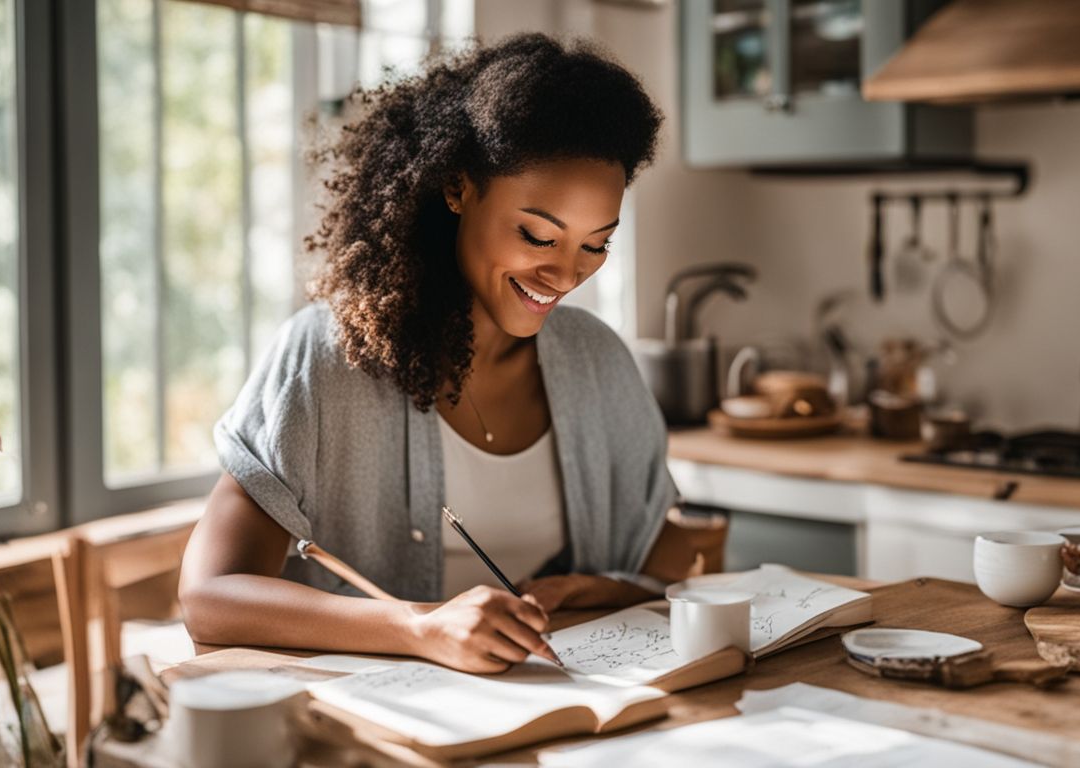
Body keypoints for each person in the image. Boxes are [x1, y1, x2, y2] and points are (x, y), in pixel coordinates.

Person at [179, 32, 697, 674]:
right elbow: (208, 599)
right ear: (459, 188)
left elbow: (672, 560)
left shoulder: (598, 361)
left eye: (595, 246)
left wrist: (602, 589)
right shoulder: (327, 356)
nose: (564, 276)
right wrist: (420, 625)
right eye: (538, 236)